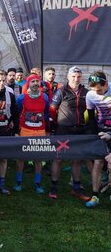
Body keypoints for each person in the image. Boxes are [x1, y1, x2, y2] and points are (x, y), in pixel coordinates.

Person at [48, 66, 90, 201]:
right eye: (73, 76)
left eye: (78, 76)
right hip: (63, 129)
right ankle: (54, 187)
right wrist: (57, 123)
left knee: (77, 160)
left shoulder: (86, 92)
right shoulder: (61, 91)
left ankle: (76, 188)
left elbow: (90, 110)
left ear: (81, 77)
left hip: (80, 130)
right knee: (58, 158)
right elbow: (52, 109)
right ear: (68, 76)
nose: (76, 79)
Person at [15, 74, 50, 194]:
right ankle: (19, 182)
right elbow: (18, 112)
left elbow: (46, 113)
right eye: (33, 81)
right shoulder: (21, 97)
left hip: (40, 130)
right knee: (21, 157)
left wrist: (46, 128)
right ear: (28, 84)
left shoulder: (45, 97)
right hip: (25, 130)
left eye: (37, 81)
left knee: (38, 157)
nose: (35, 83)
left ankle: (38, 183)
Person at [0, 71, 18, 195]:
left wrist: (14, 128)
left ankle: (1, 184)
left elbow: (14, 111)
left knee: (4, 158)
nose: (2, 83)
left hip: (5, 129)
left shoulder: (10, 94)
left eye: (3, 80)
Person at [84, 70, 111, 208]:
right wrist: (96, 135)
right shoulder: (90, 95)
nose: (97, 93)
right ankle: (95, 195)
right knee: (98, 163)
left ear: (106, 84)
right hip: (101, 131)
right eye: (94, 90)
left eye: (99, 90)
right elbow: (91, 118)